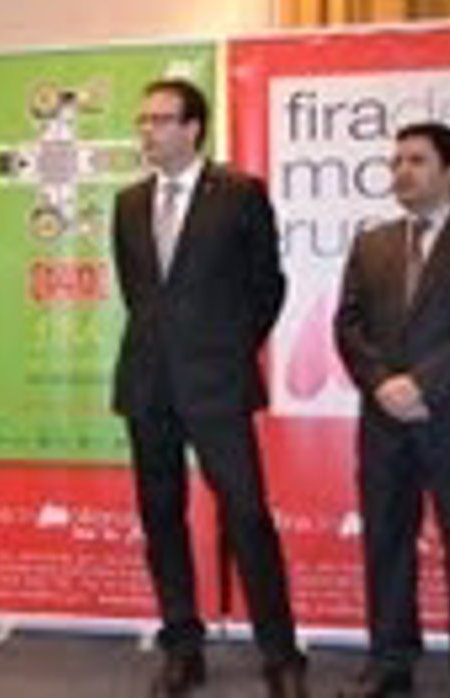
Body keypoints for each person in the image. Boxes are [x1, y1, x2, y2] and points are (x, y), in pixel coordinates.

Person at [110, 79, 307, 697]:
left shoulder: (239, 193)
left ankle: (281, 655)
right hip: (148, 383)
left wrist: (226, 349)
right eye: (143, 120)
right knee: (160, 516)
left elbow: (267, 286)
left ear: (193, 128)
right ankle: (182, 646)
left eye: (160, 120)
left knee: (247, 515)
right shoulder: (128, 202)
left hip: (217, 385)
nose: (147, 131)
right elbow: (139, 293)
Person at [334, 122, 450, 698]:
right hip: (384, 424)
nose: (401, 172)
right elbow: (348, 325)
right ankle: (391, 663)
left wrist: (421, 384)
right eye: (396, 162)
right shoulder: (372, 244)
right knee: (387, 545)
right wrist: (383, 384)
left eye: (416, 161)